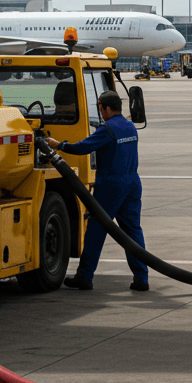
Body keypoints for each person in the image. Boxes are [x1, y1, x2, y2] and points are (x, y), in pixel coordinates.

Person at [44, 89, 149, 292]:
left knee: (95, 230)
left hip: (111, 185)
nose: (101, 112)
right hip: (132, 183)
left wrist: (58, 145)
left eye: (101, 108)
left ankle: (84, 276)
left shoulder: (107, 129)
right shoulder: (130, 126)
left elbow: (81, 148)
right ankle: (141, 278)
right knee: (133, 231)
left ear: (107, 108)